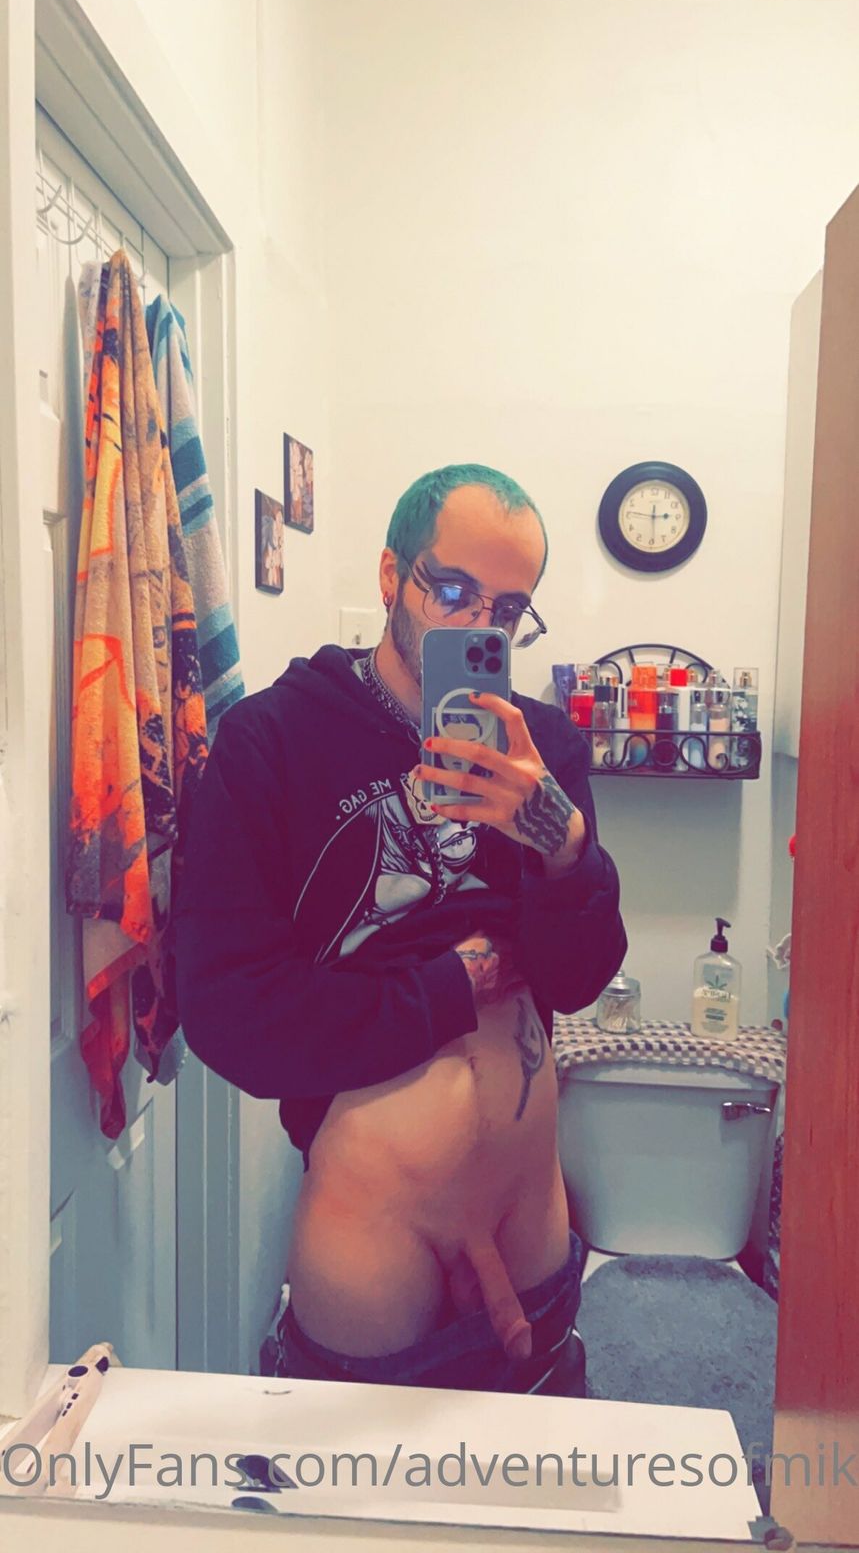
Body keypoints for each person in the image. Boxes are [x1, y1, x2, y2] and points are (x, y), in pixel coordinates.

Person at [175, 463, 627, 1392]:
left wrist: (558, 840)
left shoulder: (542, 749)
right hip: (374, 1236)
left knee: (538, 1479)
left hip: (531, 1222)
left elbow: (578, 978)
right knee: (361, 1479)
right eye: (452, 591)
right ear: (392, 576)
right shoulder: (272, 742)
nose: (478, 627)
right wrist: (451, 987)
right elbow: (228, 1012)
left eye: (507, 610)